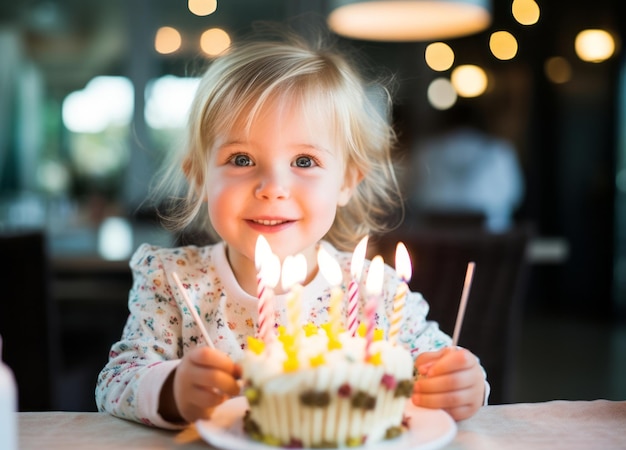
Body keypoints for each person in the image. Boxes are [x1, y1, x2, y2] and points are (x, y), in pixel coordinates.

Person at [95, 28, 487, 429]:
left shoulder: (375, 293)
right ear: (198, 177)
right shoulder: (173, 282)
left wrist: (463, 384)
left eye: (304, 161)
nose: (273, 188)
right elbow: (115, 381)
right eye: (242, 159)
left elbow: (437, 368)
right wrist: (172, 388)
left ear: (348, 180)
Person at [407, 104, 525, 232]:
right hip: (490, 241)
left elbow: (411, 195)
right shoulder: (500, 150)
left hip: (435, 241)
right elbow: (514, 196)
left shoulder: (425, 151)